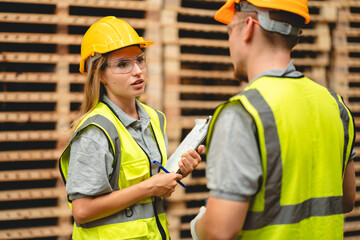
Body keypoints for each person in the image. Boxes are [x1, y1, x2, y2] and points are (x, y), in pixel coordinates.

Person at [190, 0, 356, 239]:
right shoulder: (335, 106)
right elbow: (346, 199)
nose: (229, 42)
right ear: (295, 37)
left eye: (230, 30)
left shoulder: (243, 113)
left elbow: (219, 230)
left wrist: (199, 226)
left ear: (248, 26)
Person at [59, 16, 204, 240]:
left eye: (140, 60)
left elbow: (151, 186)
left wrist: (178, 171)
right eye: (123, 64)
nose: (137, 71)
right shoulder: (96, 131)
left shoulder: (154, 119)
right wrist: (151, 187)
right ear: (100, 75)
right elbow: (82, 211)